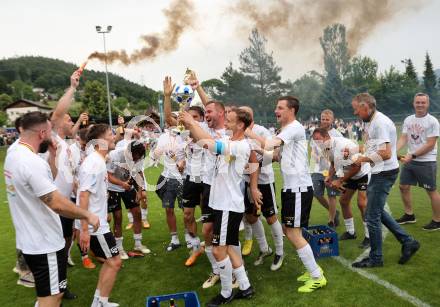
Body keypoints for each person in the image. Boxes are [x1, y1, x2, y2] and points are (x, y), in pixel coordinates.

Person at [4, 111, 99, 307]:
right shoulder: (31, 162)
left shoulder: (14, 153)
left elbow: (48, 182)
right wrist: (87, 214)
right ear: (41, 133)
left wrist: (53, 157)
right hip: (44, 243)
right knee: (52, 298)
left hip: (31, 240)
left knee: (51, 294)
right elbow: (55, 202)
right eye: (49, 131)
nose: (52, 135)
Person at [180, 107, 256, 306]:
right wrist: (190, 124)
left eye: (230, 121)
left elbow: (210, 143)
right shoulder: (233, 141)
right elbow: (205, 142)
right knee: (229, 248)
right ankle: (246, 287)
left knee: (218, 251)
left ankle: (225, 292)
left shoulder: (239, 146)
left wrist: (192, 123)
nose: (227, 124)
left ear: (240, 125)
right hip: (224, 204)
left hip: (227, 205)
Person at [252, 96, 327, 293]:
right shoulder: (286, 130)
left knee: (293, 233)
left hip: (299, 188)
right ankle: (312, 270)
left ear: (291, 110)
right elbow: (275, 155)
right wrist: (254, 149)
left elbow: (270, 145)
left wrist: (247, 132)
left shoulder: (294, 127)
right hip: (291, 188)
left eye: (280, 108)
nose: (276, 110)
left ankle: (317, 276)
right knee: (290, 230)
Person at [350, 93, 420, 268]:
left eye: (356, 109)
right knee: (377, 211)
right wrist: (363, 152)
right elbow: (382, 149)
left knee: (371, 216)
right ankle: (408, 241)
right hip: (381, 171)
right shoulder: (373, 121)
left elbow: (385, 153)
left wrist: (362, 159)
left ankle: (376, 258)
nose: (355, 112)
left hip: (384, 173)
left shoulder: (379, 123)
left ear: (365, 106)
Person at [78, 124, 122, 307]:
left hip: (98, 222)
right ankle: (100, 303)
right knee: (114, 261)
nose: (113, 137)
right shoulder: (94, 163)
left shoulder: (98, 160)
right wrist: (84, 230)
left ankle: (99, 301)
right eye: (110, 134)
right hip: (95, 226)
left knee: (111, 261)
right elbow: (83, 195)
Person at [241, 106, 284, 271]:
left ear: (251, 118)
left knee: (271, 216)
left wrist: (255, 155)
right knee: (251, 217)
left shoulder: (262, 132)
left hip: (264, 181)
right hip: (246, 181)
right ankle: (265, 249)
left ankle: (279, 252)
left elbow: (274, 155)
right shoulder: (235, 132)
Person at [311, 127, 370, 248]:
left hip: (362, 173)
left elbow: (357, 166)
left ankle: (369, 237)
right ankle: (351, 232)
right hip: (351, 175)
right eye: (314, 140)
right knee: (343, 201)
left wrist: (341, 180)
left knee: (361, 203)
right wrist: (330, 176)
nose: (317, 143)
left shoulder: (342, 147)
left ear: (326, 137)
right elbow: (333, 163)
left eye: (318, 139)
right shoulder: (325, 148)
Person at [395, 93, 440, 230]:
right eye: (417, 102)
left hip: (426, 161)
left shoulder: (432, 121)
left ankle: (437, 220)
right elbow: (404, 138)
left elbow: (430, 144)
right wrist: (393, 151)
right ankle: (409, 215)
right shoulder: (408, 119)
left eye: (423, 102)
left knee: (430, 190)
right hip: (411, 160)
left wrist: (412, 155)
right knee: (403, 186)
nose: (420, 105)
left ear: (427, 104)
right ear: (413, 103)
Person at [107, 140, 151, 259]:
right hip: (112, 187)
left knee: (137, 213)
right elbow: (108, 176)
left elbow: (139, 173)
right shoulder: (114, 155)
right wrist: (121, 184)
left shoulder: (139, 156)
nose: (136, 160)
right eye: (134, 158)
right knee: (118, 216)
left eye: (138, 159)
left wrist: (140, 190)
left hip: (128, 186)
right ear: (128, 152)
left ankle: (138, 244)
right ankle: (119, 248)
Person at [310, 109, 341, 228]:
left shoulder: (337, 134)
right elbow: (313, 149)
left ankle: (331, 220)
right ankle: (334, 212)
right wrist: (314, 156)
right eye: (323, 119)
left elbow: (341, 151)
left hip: (332, 169)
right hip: (318, 168)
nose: (324, 121)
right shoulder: (315, 132)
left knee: (331, 195)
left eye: (327, 119)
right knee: (316, 193)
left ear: (332, 120)